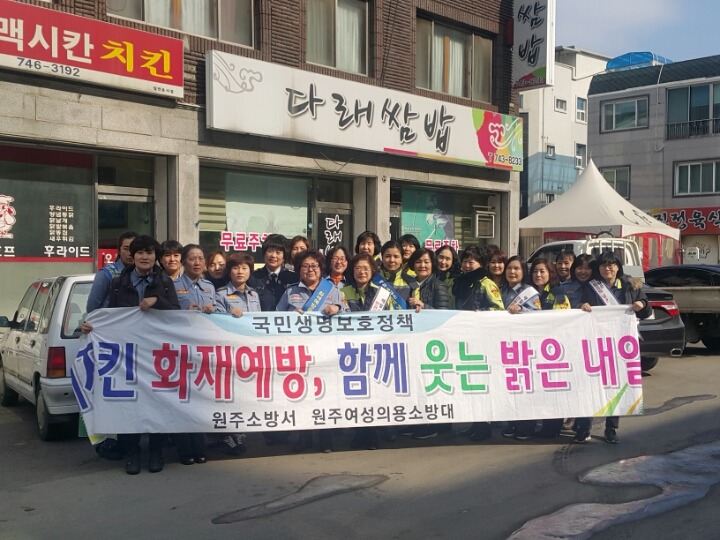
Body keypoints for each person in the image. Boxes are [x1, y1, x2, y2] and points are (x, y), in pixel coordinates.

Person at [84, 235, 180, 474]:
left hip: (157, 354)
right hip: (126, 355)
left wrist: (157, 300)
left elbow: (177, 314)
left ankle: (156, 452)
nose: (144, 257)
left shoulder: (165, 282)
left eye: (149, 252)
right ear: (132, 256)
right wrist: (90, 326)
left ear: (155, 256)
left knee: (157, 402)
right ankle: (132, 453)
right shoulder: (119, 282)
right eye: (140, 252)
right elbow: (108, 316)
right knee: (128, 404)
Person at [576, 251, 652, 445]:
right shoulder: (591, 286)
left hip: (620, 345)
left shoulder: (630, 285)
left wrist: (641, 303)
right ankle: (584, 428)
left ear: (618, 267)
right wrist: (582, 305)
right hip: (595, 342)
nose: (607, 268)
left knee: (615, 386)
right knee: (590, 385)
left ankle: (611, 428)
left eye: (611, 265)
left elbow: (647, 310)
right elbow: (580, 305)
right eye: (603, 265)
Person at [277, 249, 347, 453]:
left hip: (326, 351)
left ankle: (326, 439)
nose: (310, 269)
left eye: (314, 265)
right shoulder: (290, 292)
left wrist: (337, 309)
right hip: (299, 352)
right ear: (299, 270)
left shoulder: (332, 290)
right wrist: (291, 315)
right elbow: (276, 317)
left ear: (321, 268)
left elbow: (348, 314)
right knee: (303, 396)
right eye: (305, 266)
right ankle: (304, 438)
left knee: (326, 394)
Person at [341, 253, 392, 449]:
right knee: (357, 392)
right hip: (351, 350)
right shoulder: (343, 292)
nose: (361, 272)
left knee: (374, 392)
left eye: (365, 268)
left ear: (372, 271)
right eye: (357, 268)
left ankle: (372, 434)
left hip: (375, 349)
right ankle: (359, 433)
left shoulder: (382, 294)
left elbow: (391, 319)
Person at [453, 245, 504, 441]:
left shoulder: (486, 284)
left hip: (481, 339)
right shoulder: (461, 282)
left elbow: (498, 309)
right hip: (463, 337)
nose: (467, 265)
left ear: (481, 264)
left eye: (471, 262)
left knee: (481, 383)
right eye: (465, 261)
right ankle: (475, 424)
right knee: (470, 384)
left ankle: (484, 427)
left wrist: (480, 314)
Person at [214, 252, 261, 456]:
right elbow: (215, 321)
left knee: (244, 395)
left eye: (244, 268)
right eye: (235, 267)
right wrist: (228, 315)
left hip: (250, 352)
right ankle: (226, 436)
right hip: (229, 352)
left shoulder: (254, 294)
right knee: (228, 395)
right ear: (229, 271)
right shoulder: (221, 294)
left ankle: (240, 433)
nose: (240, 271)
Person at [86, 231, 137, 313]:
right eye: (126, 249)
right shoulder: (106, 274)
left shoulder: (144, 274)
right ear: (119, 251)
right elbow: (92, 307)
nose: (130, 253)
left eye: (134, 248)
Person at [252, 234, 298, 312]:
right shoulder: (253, 278)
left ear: (284, 257)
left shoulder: (293, 278)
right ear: (264, 254)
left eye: (278, 252)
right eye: (270, 251)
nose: (273, 255)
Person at [173, 244, 224, 313]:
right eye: (192, 259)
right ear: (183, 262)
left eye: (201, 259)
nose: (197, 263)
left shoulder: (209, 286)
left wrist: (212, 309)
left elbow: (216, 309)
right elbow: (167, 313)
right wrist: (185, 311)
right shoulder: (174, 286)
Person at [377, 240, 412, 306]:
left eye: (396, 256)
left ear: (401, 259)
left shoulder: (411, 282)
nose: (392, 260)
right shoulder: (373, 279)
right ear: (382, 258)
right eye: (387, 256)